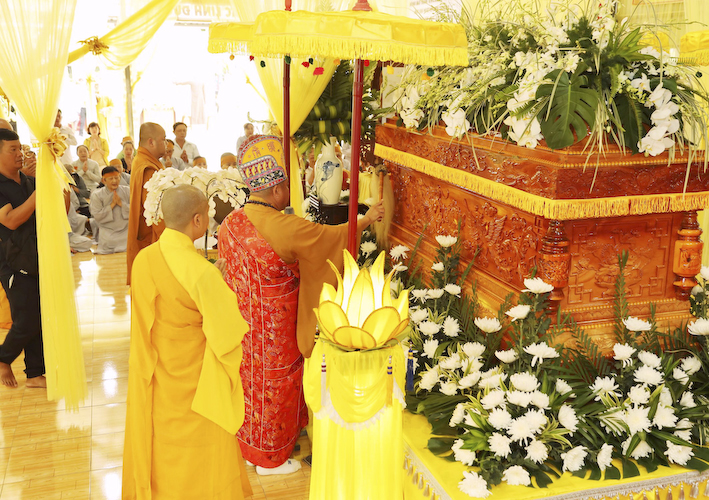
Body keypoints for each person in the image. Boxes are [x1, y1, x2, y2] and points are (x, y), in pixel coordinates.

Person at [219, 135, 384, 474]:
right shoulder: (283, 225)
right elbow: (328, 240)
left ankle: (251, 445)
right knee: (278, 383)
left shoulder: (231, 221)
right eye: (286, 187)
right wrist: (367, 219)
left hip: (242, 323)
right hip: (275, 327)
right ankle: (271, 459)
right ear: (277, 190)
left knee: (250, 382)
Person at [123, 184, 252, 500]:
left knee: (161, 448)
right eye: (207, 215)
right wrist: (216, 285)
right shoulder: (200, 272)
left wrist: (211, 281)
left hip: (156, 380)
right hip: (197, 388)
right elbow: (228, 335)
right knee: (200, 458)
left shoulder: (144, 260)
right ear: (197, 220)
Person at [0, 129, 45, 388]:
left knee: (37, 316)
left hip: (36, 256)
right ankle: (3, 357)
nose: (20, 154)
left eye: (20, 148)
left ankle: (35, 374)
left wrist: (58, 189)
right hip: (11, 261)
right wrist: (37, 197)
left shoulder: (28, 180)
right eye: (13, 149)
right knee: (26, 320)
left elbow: (55, 212)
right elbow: (10, 220)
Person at [126, 122, 166, 284]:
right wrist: (170, 238)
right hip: (151, 238)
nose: (166, 143)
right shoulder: (147, 168)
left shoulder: (142, 160)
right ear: (151, 142)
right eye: (163, 139)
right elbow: (155, 213)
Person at [90, 166, 130, 255]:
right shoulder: (97, 195)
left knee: (131, 240)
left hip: (126, 228)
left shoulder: (127, 191)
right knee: (109, 242)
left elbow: (136, 210)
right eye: (111, 178)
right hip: (108, 229)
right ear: (103, 180)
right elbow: (97, 215)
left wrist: (121, 204)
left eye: (116, 178)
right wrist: (112, 205)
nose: (114, 181)